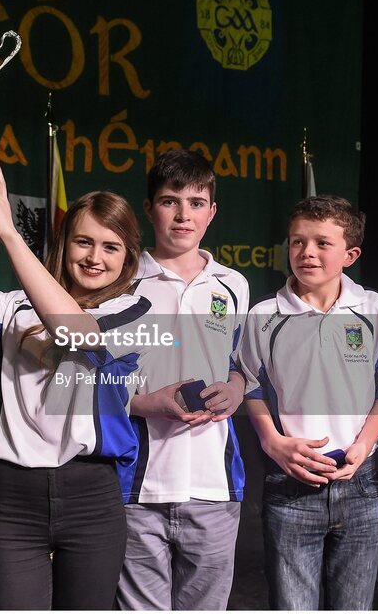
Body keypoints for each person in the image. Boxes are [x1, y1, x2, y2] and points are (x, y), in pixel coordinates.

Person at [0, 165, 152, 610]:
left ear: (128, 257)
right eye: (84, 241)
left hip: (92, 497)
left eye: (110, 246)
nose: (95, 257)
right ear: (64, 245)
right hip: (13, 497)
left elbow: (74, 331)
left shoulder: (135, 310)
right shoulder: (14, 308)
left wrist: (10, 235)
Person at [240, 195, 378, 610]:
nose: (306, 252)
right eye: (297, 242)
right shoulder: (263, 316)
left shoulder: (374, 309)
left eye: (322, 243)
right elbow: (251, 388)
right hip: (291, 487)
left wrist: (364, 444)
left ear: (350, 254)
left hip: (359, 483)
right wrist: (272, 442)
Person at [116, 149, 249, 611]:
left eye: (196, 202)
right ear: (150, 207)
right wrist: (142, 403)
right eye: (170, 201)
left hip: (214, 485)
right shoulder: (123, 278)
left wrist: (235, 388)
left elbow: (240, 364)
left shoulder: (233, 284)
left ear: (211, 212)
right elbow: (88, 376)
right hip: (136, 484)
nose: (183, 214)